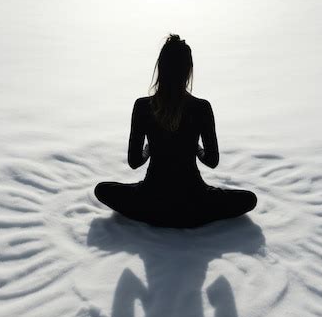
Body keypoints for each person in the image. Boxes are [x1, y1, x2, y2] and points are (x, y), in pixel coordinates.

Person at [94, 34, 257, 228]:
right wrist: (195, 147)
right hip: (194, 205)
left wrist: (148, 149)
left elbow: (134, 162)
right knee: (248, 199)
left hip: (152, 203)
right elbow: (212, 161)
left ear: (160, 69)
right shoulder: (201, 107)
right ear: (188, 71)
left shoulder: (143, 106)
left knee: (103, 190)